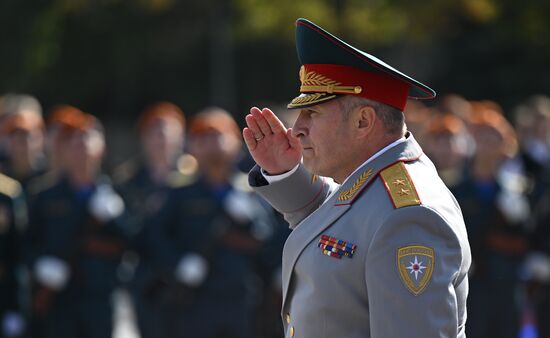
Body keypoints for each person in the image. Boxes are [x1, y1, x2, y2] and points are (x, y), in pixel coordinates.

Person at [242, 18, 471, 338]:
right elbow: (342, 218)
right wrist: (287, 174)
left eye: (313, 113)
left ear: (363, 121)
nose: (297, 128)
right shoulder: (375, 180)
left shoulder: (409, 216)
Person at [148, 107, 277, 338]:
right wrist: (177, 264)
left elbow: (269, 239)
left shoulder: (250, 192)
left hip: (241, 299)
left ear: (237, 143)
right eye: (203, 138)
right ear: (192, 147)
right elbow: (154, 236)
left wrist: (253, 221)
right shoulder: (179, 193)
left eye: (219, 136)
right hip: (195, 301)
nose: (212, 144)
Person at [24, 111, 128, 338]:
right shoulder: (45, 196)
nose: (81, 146)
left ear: (102, 147)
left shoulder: (118, 192)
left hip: (99, 297)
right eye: (73, 140)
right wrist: (40, 264)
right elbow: (25, 242)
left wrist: (116, 219)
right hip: (60, 299)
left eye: (87, 138)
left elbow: (133, 240)